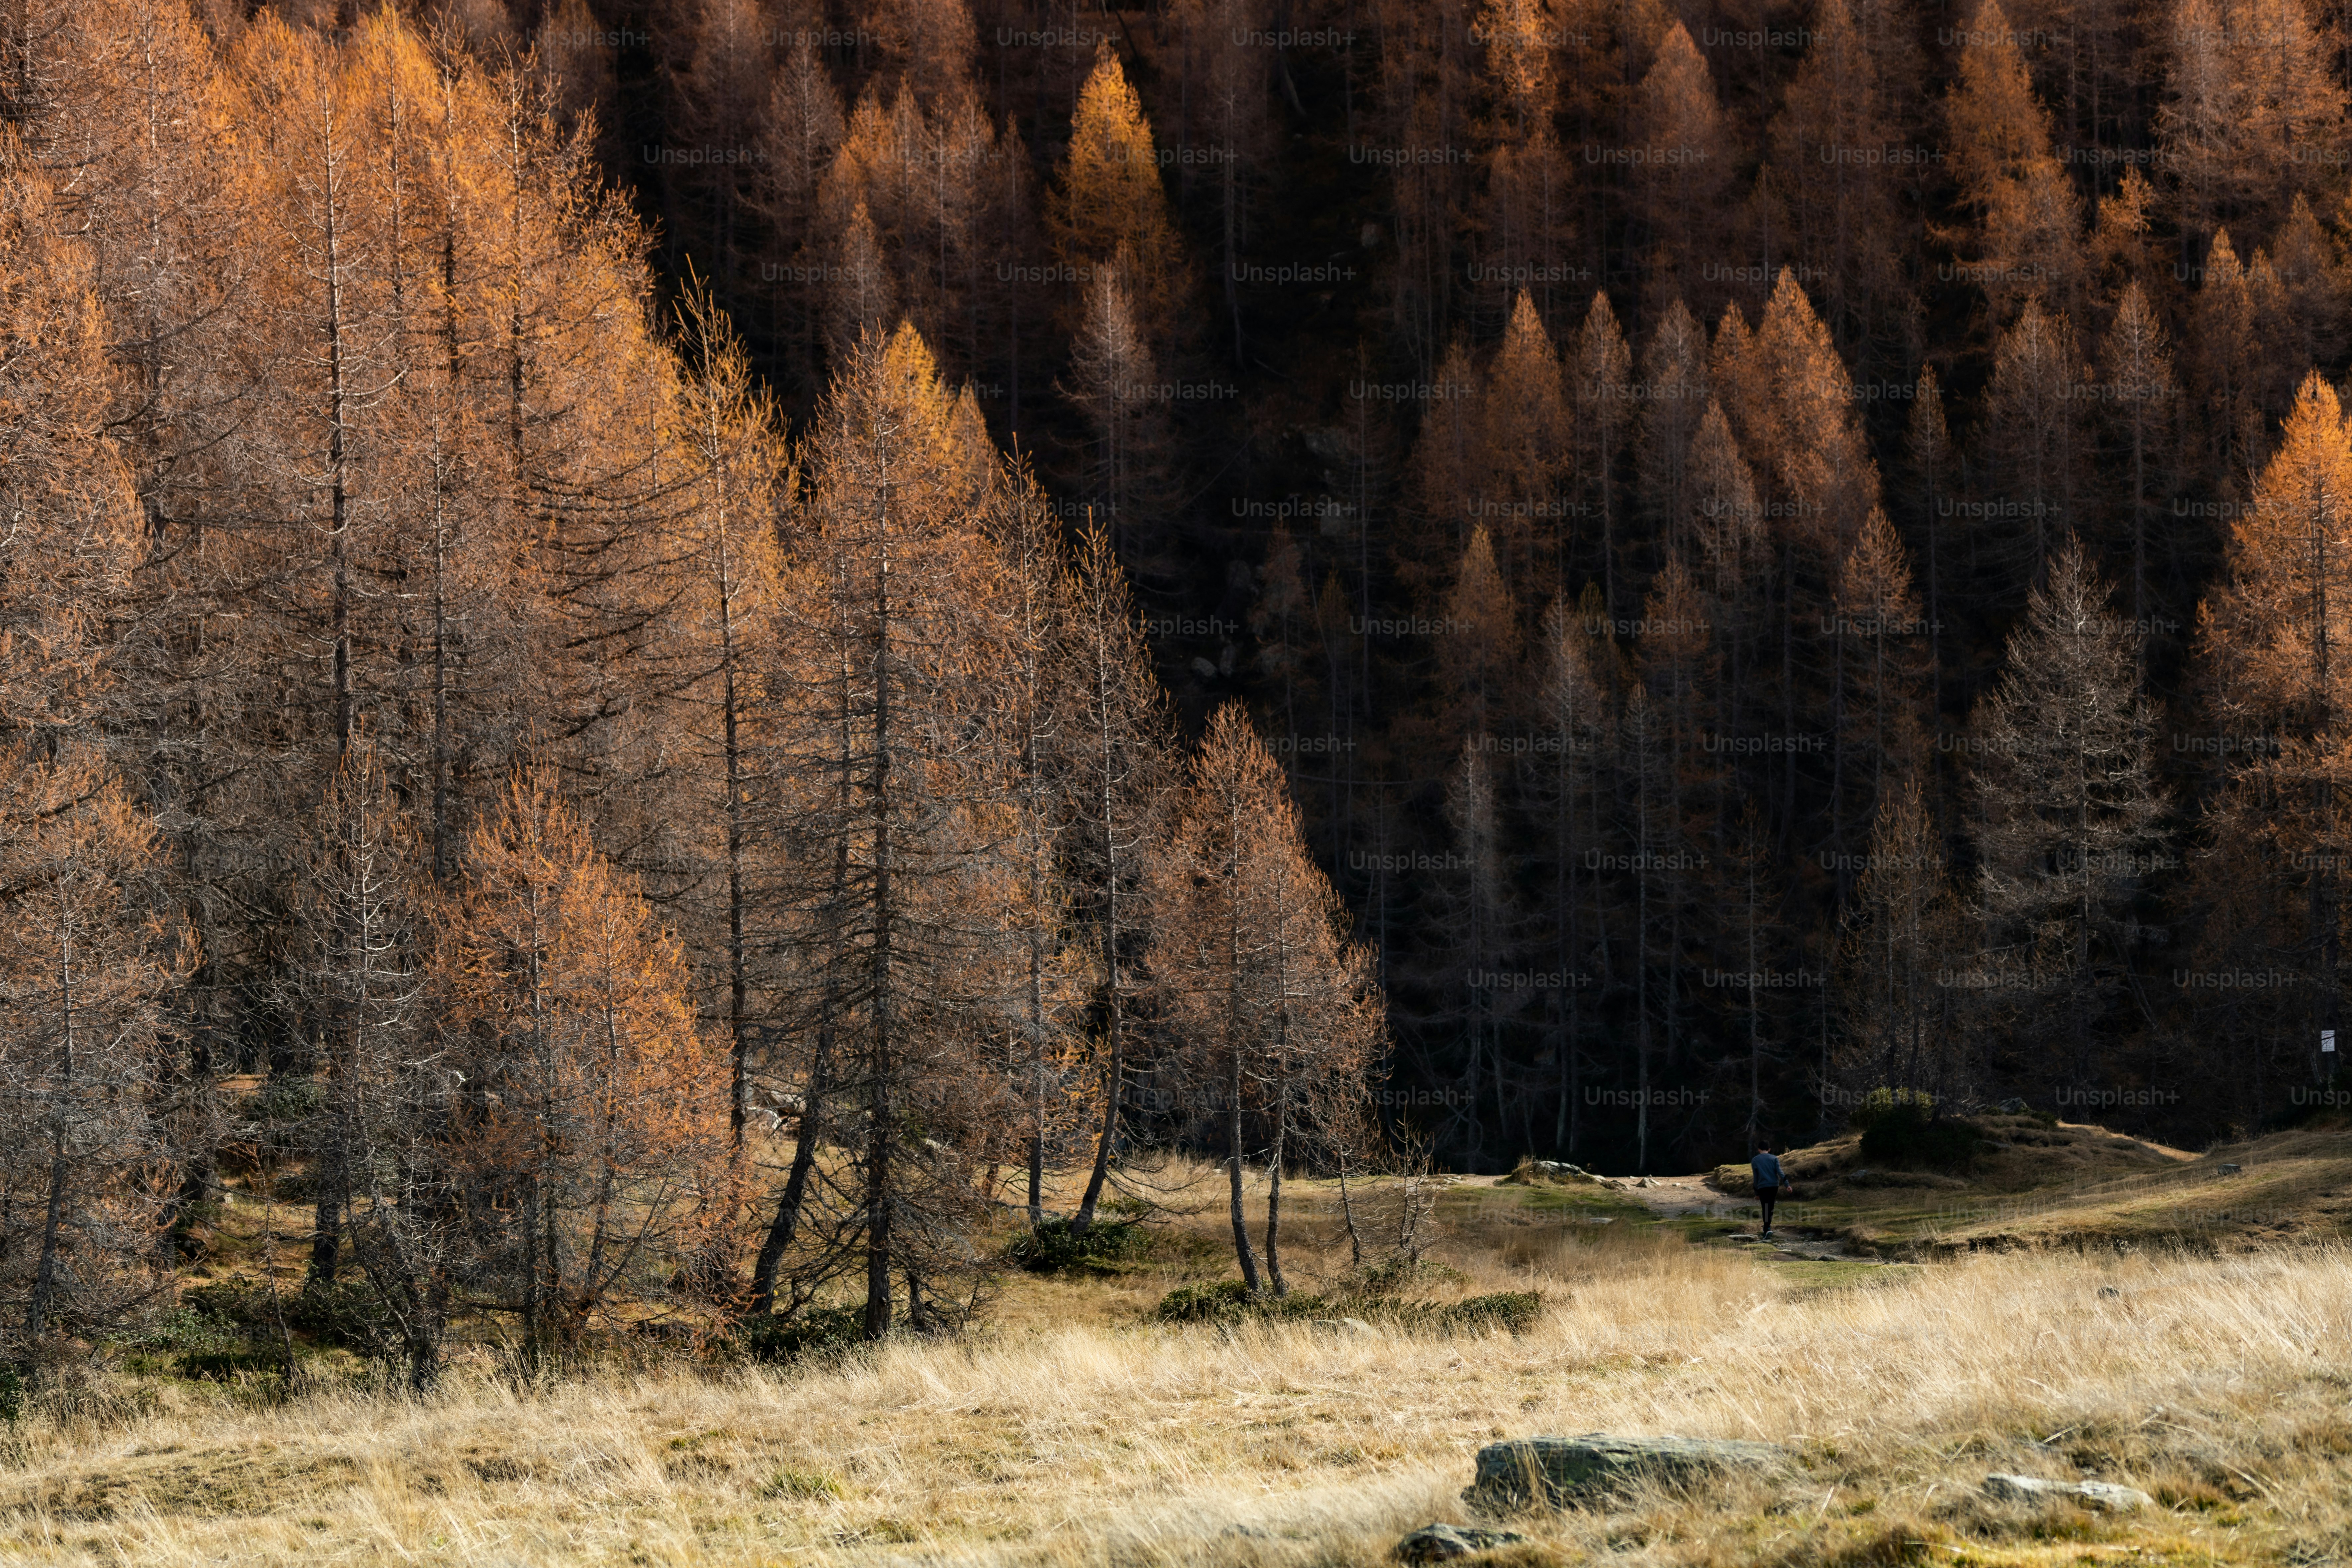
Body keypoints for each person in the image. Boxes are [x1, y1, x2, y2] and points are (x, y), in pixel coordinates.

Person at [1750, 1141, 1788, 1238]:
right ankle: (1768, 1228)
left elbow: (1756, 1178)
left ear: (1759, 1150)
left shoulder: (1755, 1160)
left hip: (1763, 1186)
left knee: (1765, 1207)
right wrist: (1787, 1185)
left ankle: (1767, 1229)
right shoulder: (1774, 1158)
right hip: (1774, 1186)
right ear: (1769, 1149)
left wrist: (1756, 1193)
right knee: (1771, 1206)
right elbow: (1780, 1172)